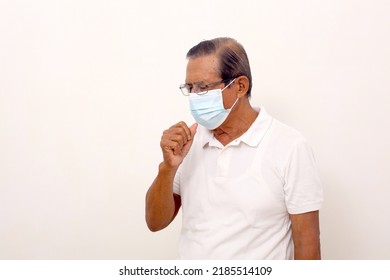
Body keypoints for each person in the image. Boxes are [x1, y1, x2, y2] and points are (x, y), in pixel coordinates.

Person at [145, 37, 323, 260]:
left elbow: (308, 247)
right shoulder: (188, 143)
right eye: (189, 88)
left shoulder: (290, 147)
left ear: (240, 86)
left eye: (203, 87)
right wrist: (167, 168)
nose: (194, 97)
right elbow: (154, 222)